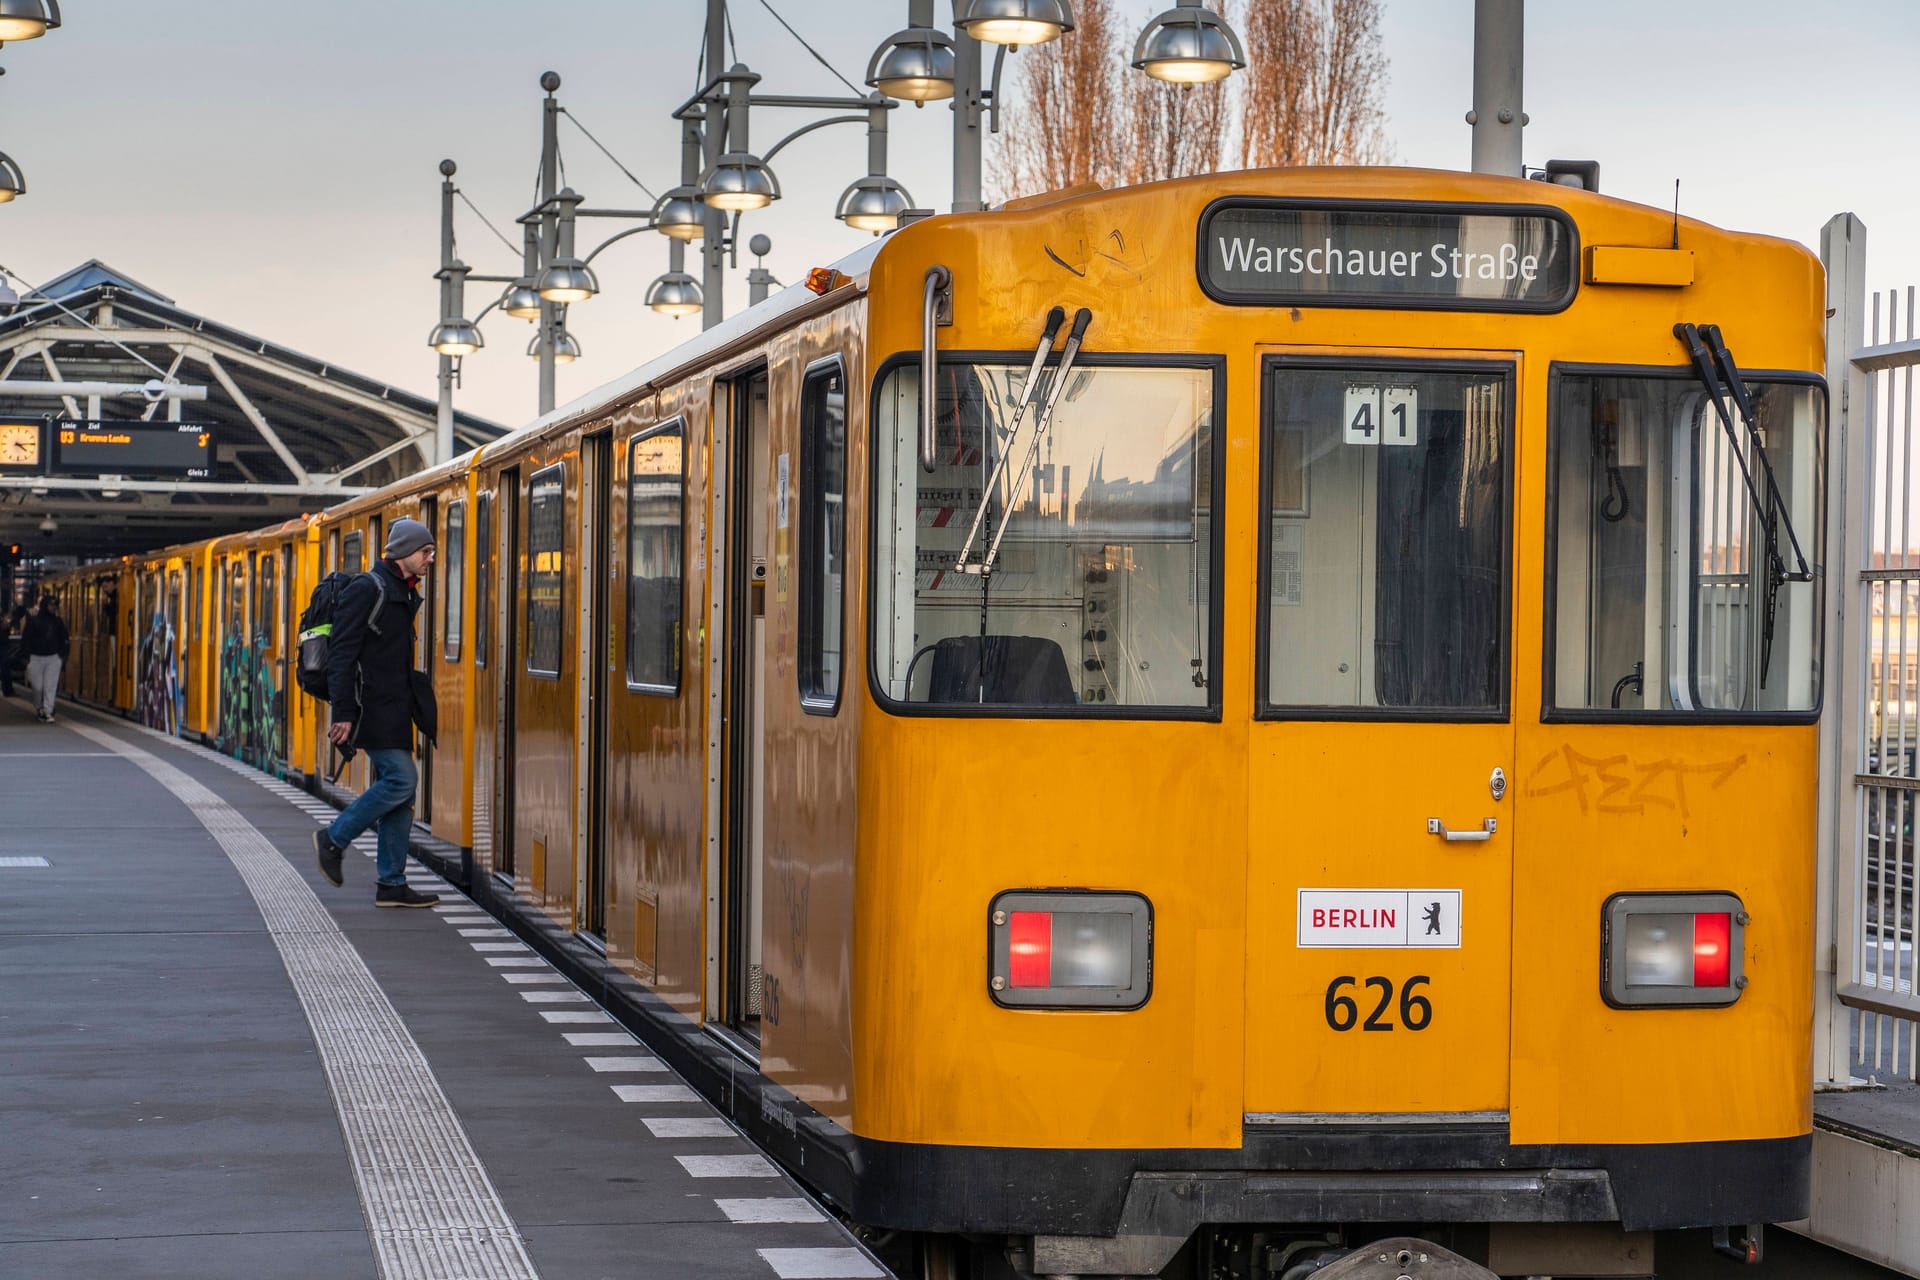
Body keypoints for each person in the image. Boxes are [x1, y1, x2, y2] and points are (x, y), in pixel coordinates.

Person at [312, 518, 440, 908]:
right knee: (402, 780)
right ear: (403, 553)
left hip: (395, 707)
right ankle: (334, 837)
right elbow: (342, 654)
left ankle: (391, 883)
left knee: (401, 797)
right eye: (425, 552)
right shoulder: (368, 589)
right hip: (371, 709)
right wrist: (343, 713)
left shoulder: (400, 590)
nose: (431, 559)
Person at [22, 594, 67, 723]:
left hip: (53, 658)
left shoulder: (58, 622)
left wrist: (61, 656)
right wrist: (27, 657)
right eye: (51, 605)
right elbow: (26, 640)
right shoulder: (33, 621)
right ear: (44, 606)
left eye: (55, 605)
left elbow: (63, 639)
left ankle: (47, 710)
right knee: (38, 687)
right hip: (35, 657)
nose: (53, 608)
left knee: (50, 686)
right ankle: (39, 707)